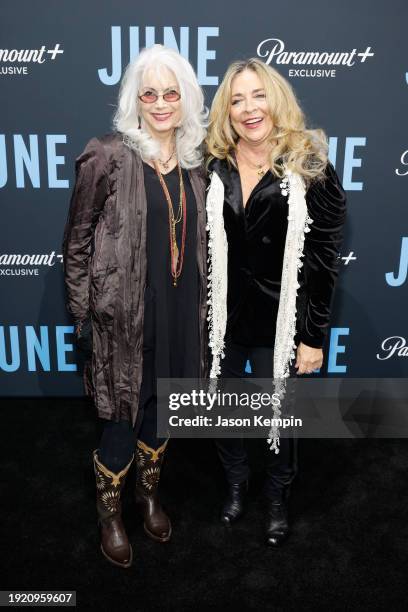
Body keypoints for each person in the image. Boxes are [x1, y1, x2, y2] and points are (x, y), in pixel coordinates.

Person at [62, 44, 208, 568]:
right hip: (124, 318)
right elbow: (77, 241)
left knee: (163, 413)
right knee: (122, 419)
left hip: (180, 313)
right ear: (136, 98)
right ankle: (110, 514)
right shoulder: (107, 154)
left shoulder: (197, 164)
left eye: (172, 93)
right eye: (151, 93)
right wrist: (83, 316)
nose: (162, 103)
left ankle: (147, 495)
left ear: (187, 98)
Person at [205, 58, 346, 546]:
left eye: (258, 95)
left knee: (279, 418)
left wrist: (312, 335)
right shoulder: (211, 163)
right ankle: (237, 486)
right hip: (221, 317)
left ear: (276, 99)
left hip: (279, 318)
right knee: (223, 410)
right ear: (227, 110)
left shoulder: (309, 164)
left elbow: (324, 260)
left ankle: (276, 496)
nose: (249, 108)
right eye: (237, 99)